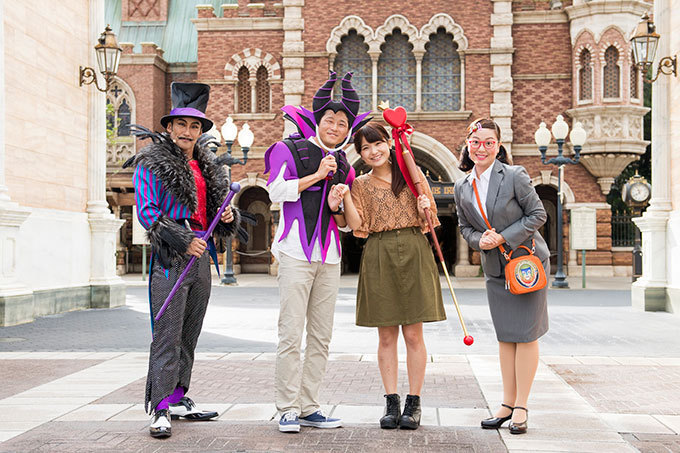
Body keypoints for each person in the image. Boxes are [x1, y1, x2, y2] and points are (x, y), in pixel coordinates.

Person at [126, 82, 244, 438]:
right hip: (170, 256)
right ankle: (159, 407)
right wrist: (182, 239)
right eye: (182, 125)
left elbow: (211, 211)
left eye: (195, 126)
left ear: (200, 131)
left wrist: (225, 218)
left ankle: (178, 397)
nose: (188, 132)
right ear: (170, 127)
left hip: (201, 257)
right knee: (167, 333)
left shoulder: (206, 168)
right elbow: (147, 212)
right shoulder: (152, 164)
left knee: (189, 331)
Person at [264, 71, 370, 433]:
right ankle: (286, 407)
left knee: (321, 336)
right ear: (318, 120)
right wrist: (315, 176)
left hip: (329, 257)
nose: (336, 127)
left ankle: (309, 405)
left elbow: (344, 224)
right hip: (294, 252)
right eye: (330, 120)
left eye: (343, 123)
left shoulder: (345, 166)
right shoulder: (289, 149)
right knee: (291, 332)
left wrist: (340, 202)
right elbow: (275, 192)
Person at [328, 123, 446, 430]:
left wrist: (424, 206)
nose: (372, 152)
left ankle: (414, 403)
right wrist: (345, 199)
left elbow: (430, 219)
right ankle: (391, 402)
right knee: (386, 336)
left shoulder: (411, 174)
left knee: (414, 335)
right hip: (378, 251)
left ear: (388, 143)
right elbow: (357, 226)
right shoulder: (362, 184)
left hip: (414, 248)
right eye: (365, 148)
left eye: (377, 144)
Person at [453, 118, 549, 435]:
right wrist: (476, 241)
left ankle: (521, 405)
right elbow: (464, 227)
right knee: (506, 336)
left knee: (526, 335)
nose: (482, 148)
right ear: (469, 144)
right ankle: (506, 404)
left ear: (499, 145)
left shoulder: (514, 175)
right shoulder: (462, 186)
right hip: (496, 270)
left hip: (525, 265)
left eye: (489, 142)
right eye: (476, 142)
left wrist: (503, 237)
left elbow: (538, 215)